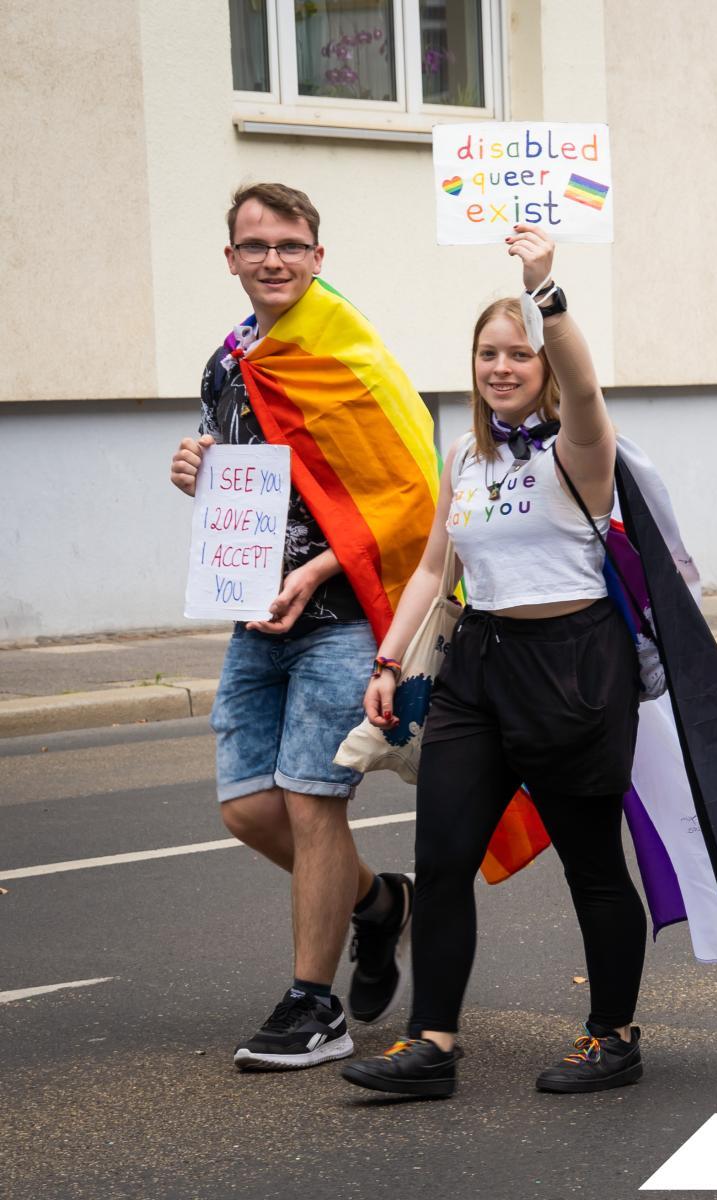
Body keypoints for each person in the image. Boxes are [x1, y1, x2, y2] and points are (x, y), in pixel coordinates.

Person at [340, 225, 648, 1100]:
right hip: (478, 667)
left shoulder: (580, 449)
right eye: (489, 352)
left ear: (543, 365)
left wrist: (545, 291)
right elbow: (438, 569)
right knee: (440, 859)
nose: (503, 366)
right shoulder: (464, 456)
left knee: (591, 862)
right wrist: (390, 659)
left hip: (573, 667)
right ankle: (431, 1040)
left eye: (520, 353)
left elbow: (586, 386)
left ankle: (612, 1034)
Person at [169, 184, 431, 1070]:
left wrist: (318, 568)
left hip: (342, 615)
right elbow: (242, 475)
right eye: (255, 245)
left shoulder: (349, 354)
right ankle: (380, 904)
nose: (272, 259)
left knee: (314, 803)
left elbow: (411, 491)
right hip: (255, 617)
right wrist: (193, 467)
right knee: (249, 808)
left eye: (289, 244)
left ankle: (312, 1007)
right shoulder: (227, 361)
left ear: (318, 257)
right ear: (232, 258)